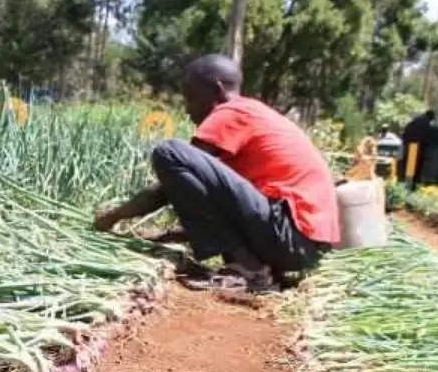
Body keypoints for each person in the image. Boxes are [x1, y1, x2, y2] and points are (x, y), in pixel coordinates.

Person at [93, 54, 340, 293]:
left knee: (169, 152)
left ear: (217, 89)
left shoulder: (231, 112)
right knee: (181, 159)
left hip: (290, 236)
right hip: (304, 246)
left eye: (191, 98)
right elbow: (222, 208)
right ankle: (256, 267)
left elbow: (166, 189)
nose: (188, 110)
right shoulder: (255, 114)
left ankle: (249, 269)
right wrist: (169, 235)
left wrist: (113, 217)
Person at [399, 110, 435, 190]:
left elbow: (405, 134)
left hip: (409, 147)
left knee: (407, 169)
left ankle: (406, 186)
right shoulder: (426, 123)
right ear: (431, 117)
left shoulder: (414, 121)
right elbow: (427, 137)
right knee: (416, 170)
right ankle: (412, 187)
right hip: (418, 149)